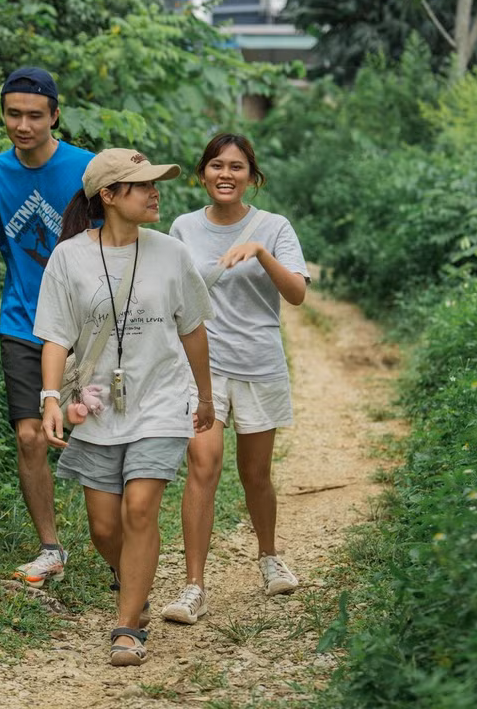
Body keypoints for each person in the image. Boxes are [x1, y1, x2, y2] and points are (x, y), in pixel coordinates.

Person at [34, 148, 215, 666]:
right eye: (142, 186)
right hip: (96, 406)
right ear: (108, 196)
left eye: (155, 183)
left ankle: (128, 623)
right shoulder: (70, 257)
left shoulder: (171, 253)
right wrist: (51, 397)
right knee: (105, 529)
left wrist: (203, 396)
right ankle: (134, 577)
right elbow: (54, 337)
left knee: (140, 508)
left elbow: (193, 329)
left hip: (160, 398)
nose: (155, 192)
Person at [161, 132, 309, 625]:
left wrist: (261, 254)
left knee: (255, 474)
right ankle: (193, 586)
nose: (226, 174)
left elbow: (297, 296)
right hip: (202, 367)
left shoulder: (274, 227)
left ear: (252, 177)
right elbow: (170, 299)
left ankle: (268, 556)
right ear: (202, 174)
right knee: (203, 464)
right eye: (216, 166)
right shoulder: (182, 228)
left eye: (237, 167)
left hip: (259, 363)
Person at [0, 67, 94, 586]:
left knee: (97, 432)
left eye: (34, 115)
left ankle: (116, 539)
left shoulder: (87, 170)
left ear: (55, 115)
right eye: (13, 114)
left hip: (87, 325)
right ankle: (51, 549)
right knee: (28, 437)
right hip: (23, 322)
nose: (23, 125)